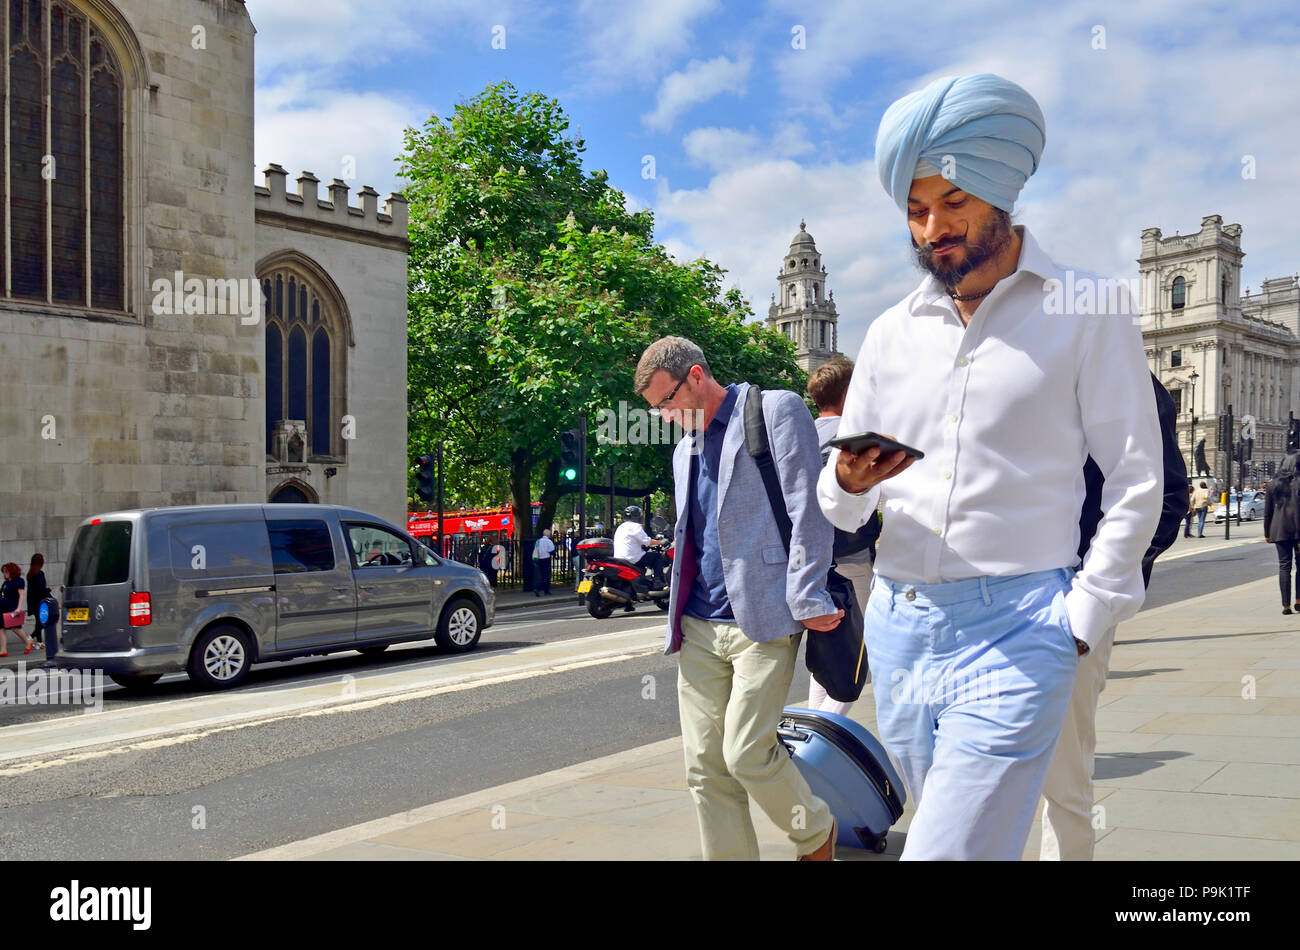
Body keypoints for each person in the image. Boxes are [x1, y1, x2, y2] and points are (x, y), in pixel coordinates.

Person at [817, 73, 1163, 860]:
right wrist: (848, 483)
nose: (931, 228)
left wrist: (1080, 619)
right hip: (903, 631)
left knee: (948, 851)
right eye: (914, 211)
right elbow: (838, 511)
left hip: (1020, 626)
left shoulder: (1087, 309)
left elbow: (1137, 477)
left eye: (952, 204)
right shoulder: (888, 334)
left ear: (1001, 194)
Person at [636, 335, 842, 861]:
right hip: (699, 623)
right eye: (655, 408)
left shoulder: (775, 410)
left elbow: (807, 508)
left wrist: (808, 591)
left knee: (747, 752)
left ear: (697, 377)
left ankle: (815, 833)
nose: (663, 416)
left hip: (764, 613)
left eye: (666, 402)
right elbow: (693, 532)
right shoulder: (684, 450)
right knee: (704, 768)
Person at [1040, 374, 1188, 860]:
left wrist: (1095, 595)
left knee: (1063, 774)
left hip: (1070, 598)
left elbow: (1167, 497)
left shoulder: (1129, 381)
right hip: (979, 597)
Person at [805, 356, 877, 715]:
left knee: (829, 650)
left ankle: (813, 728)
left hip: (808, 561)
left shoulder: (800, 435)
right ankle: (824, 739)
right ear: (849, 393)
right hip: (850, 558)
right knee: (856, 659)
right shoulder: (853, 440)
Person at [613, 505, 667, 612]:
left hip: (619, 558)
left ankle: (629, 604)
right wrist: (661, 542)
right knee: (657, 557)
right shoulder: (635, 527)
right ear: (637, 516)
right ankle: (658, 582)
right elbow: (647, 541)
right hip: (632, 557)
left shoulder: (621, 527)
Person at [1264, 453, 1300, 614]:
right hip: (1298, 530)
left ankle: (1286, 605)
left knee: (1284, 566)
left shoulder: (1272, 485)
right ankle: (1299, 600)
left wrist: (1267, 532)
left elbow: (1267, 513)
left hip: (1279, 530)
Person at [1, 562, 36, 657]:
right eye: (3, 572)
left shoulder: (19, 581)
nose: (5, 574)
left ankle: (28, 642)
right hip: (3, 608)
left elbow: (21, 595)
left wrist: (18, 608)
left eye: (6, 571)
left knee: (15, 628)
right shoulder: (5, 583)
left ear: (12, 571)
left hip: (12, 608)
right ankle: (3, 650)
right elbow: (2, 595)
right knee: (1, 628)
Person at [26, 553, 48, 646]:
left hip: (32, 602)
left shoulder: (30, 574)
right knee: (42, 622)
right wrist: (48, 590)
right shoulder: (40, 574)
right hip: (40, 601)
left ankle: (39, 641)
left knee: (38, 621)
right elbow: (41, 589)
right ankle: (30, 636)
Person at [532, 528, 555, 596]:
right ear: (548, 534)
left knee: (540, 575)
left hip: (539, 559)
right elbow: (551, 550)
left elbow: (536, 550)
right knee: (546, 576)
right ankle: (546, 590)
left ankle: (537, 588)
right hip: (546, 559)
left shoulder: (538, 541)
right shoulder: (549, 541)